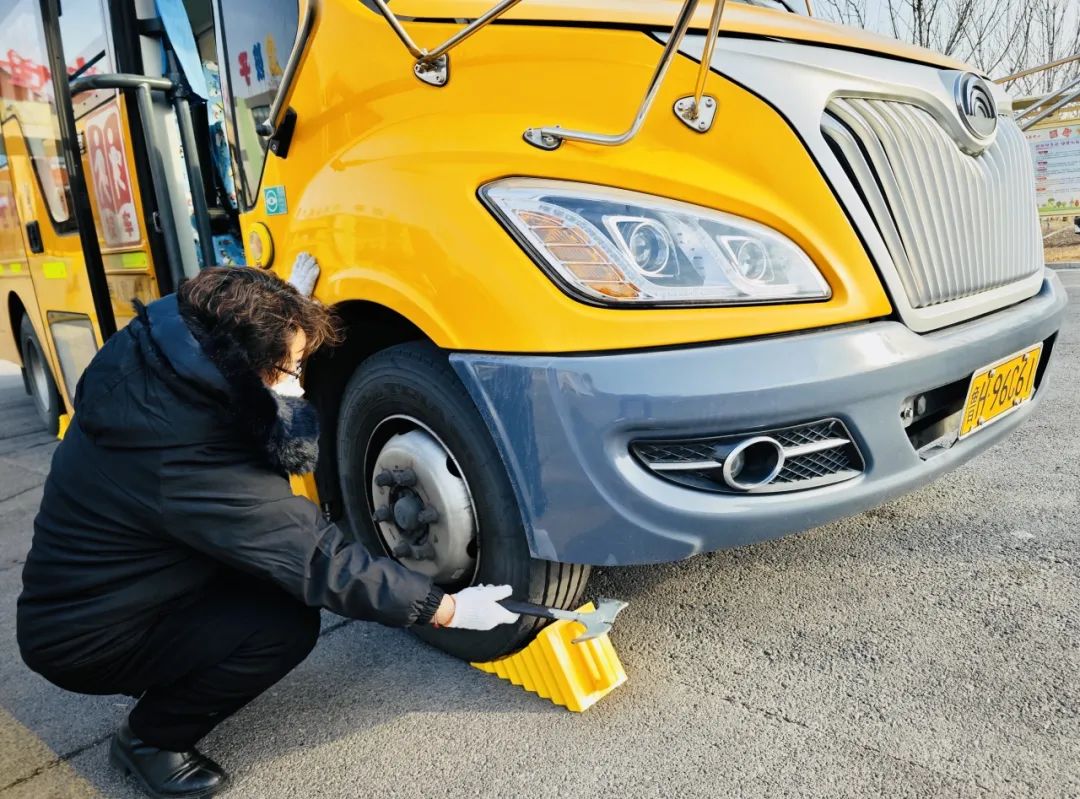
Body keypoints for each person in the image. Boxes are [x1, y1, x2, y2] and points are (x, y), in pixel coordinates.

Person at [16, 261, 519, 799]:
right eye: (291, 368)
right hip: (90, 634)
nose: (299, 382)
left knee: (267, 587)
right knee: (281, 627)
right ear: (247, 367)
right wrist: (449, 610)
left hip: (131, 579)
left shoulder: (162, 354)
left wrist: (289, 308)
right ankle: (150, 739)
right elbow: (314, 557)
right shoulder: (184, 459)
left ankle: (177, 666)